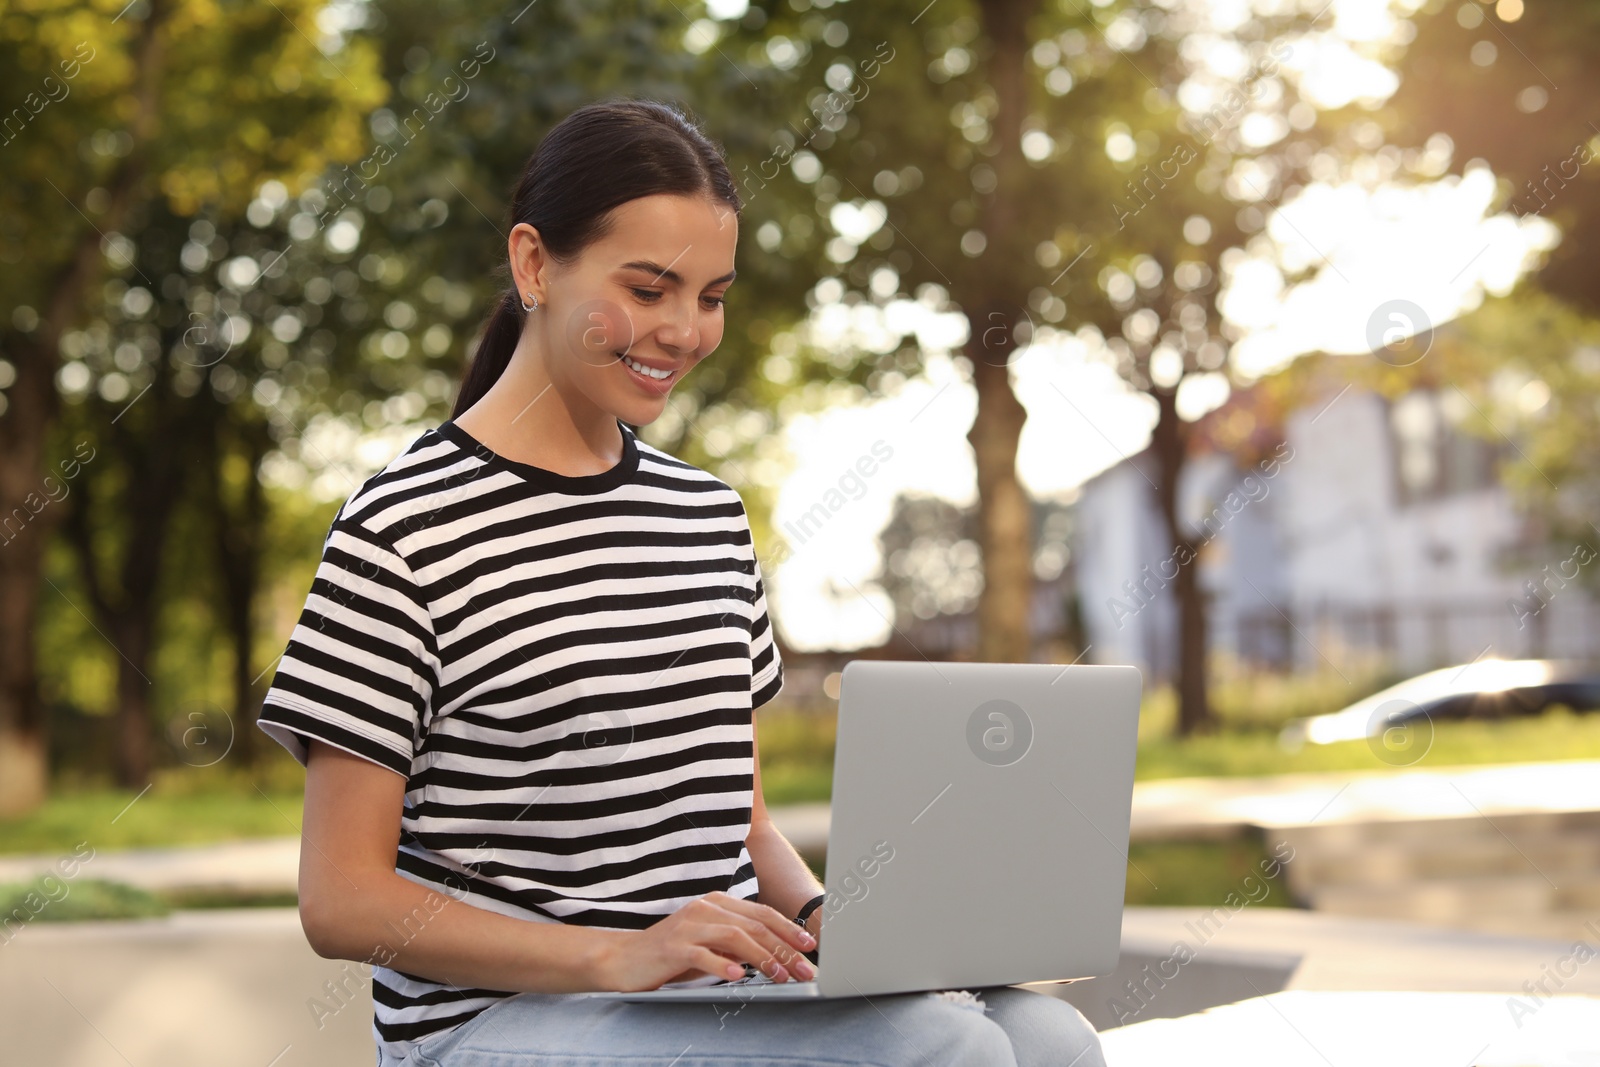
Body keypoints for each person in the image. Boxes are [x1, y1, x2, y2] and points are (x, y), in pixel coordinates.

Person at [259, 97, 1106, 1067]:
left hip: (702, 1000)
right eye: (650, 287)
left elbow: (732, 816)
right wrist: (614, 954)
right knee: (939, 1049)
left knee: (1045, 1035)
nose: (683, 330)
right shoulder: (403, 528)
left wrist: (827, 916)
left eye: (709, 295)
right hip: (491, 1024)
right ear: (534, 263)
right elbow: (341, 898)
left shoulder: (704, 516)